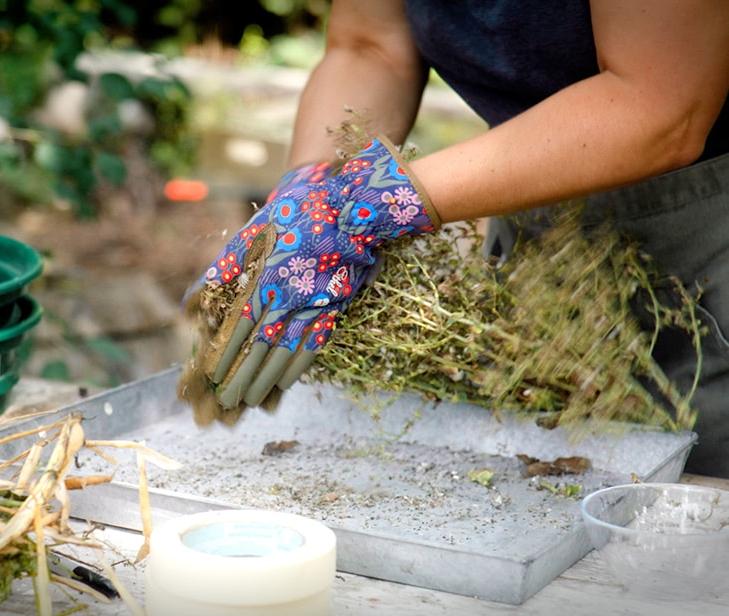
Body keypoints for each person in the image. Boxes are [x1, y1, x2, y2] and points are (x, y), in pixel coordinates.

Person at [192, 1, 729, 477]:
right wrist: (314, 193)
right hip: (532, 202)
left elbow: (663, 105)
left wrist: (374, 201)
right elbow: (370, 46)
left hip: (705, 226)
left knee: (690, 509)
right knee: (538, 469)